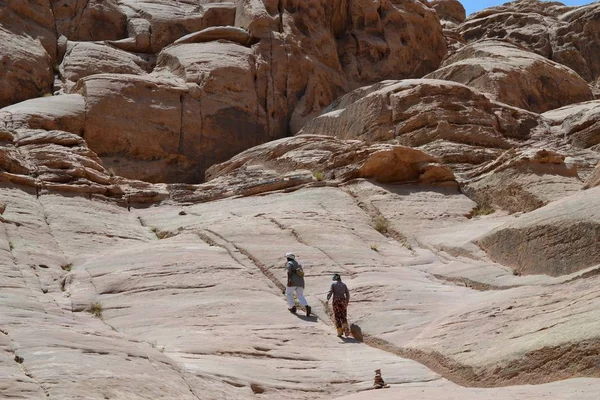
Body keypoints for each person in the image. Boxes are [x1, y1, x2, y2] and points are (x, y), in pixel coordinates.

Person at [285, 252, 311, 317]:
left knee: (288, 294)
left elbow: (289, 272)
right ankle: (307, 306)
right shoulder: (298, 264)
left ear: (288, 258)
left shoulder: (289, 263)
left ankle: (292, 307)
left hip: (293, 282)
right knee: (300, 295)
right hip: (301, 282)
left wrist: (289, 281)